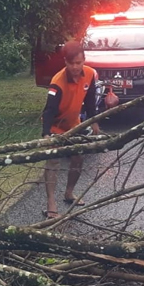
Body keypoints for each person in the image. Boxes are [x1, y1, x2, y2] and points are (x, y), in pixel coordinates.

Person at [41, 41, 100, 219]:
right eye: (71, 63)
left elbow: (90, 100)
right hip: (55, 126)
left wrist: (94, 121)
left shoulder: (89, 74)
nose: (75, 67)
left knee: (78, 157)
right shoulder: (57, 82)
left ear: (84, 61)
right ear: (65, 62)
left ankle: (69, 193)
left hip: (75, 125)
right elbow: (49, 110)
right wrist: (46, 134)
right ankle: (51, 203)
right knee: (53, 162)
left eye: (79, 63)